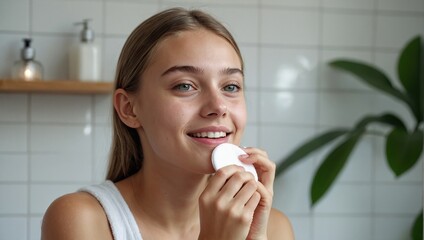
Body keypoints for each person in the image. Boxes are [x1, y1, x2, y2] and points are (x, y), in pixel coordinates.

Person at [41, 7, 294, 240]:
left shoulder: (274, 228)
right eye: (185, 86)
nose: (218, 107)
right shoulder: (81, 220)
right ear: (129, 109)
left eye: (230, 86)